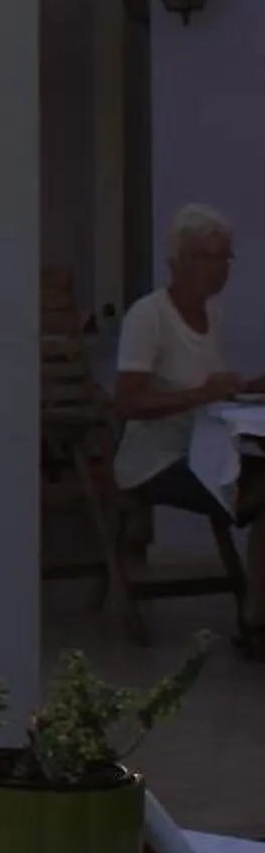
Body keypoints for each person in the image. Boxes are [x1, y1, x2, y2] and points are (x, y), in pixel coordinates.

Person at [112, 203, 265, 649]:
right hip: (156, 462)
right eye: (206, 257)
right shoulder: (149, 316)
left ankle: (256, 613)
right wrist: (203, 393)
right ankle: (255, 620)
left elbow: (211, 391)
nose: (218, 270)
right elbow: (127, 402)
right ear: (178, 261)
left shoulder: (212, 316)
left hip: (208, 452)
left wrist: (250, 387)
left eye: (225, 259)